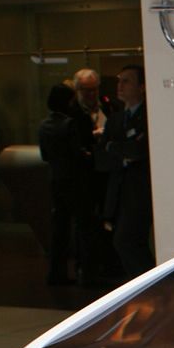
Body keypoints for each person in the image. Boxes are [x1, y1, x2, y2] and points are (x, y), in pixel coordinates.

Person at [97, 64, 152, 279]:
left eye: (127, 81)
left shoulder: (149, 117)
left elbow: (140, 150)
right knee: (124, 241)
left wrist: (115, 148)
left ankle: (148, 284)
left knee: (126, 240)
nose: (120, 86)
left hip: (141, 191)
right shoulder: (116, 119)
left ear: (142, 87)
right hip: (119, 192)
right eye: (119, 81)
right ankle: (144, 284)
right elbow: (101, 157)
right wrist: (122, 152)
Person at [68, 68, 112, 285]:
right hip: (83, 178)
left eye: (94, 89)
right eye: (86, 90)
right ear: (77, 90)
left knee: (107, 221)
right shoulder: (71, 114)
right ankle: (87, 269)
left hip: (107, 174)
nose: (91, 94)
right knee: (85, 225)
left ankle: (108, 264)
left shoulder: (109, 107)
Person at [37, 84, 81, 285]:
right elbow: (77, 154)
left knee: (59, 228)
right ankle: (82, 269)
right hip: (73, 180)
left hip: (55, 179)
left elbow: (44, 155)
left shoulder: (44, 125)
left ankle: (56, 272)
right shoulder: (69, 124)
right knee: (79, 226)